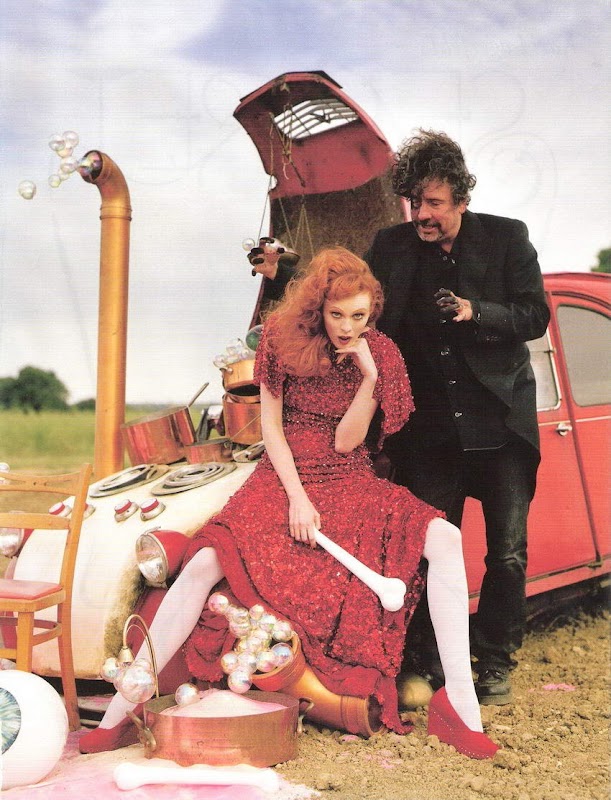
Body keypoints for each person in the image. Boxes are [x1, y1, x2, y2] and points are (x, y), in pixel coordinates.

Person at [79, 247, 498, 759]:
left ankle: (460, 707)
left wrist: (370, 378)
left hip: (346, 478)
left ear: (372, 311)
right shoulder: (281, 339)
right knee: (204, 563)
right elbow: (272, 430)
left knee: (446, 538)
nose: (348, 327)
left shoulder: (381, 354)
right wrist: (297, 499)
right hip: (282, 476)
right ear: (319, 307)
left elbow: (347, 443)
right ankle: (122, 711)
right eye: (338, 314)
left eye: (359, 316)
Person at [364, 130, 550, 704]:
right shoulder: (390, 246)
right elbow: (354, 301)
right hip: (431, 436)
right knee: (429, 556)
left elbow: (535, 315)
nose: (422, 214)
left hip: (501, 425)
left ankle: (494, 662)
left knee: (507, 555)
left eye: (434, 202)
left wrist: (477, 312)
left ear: (462, 199)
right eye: (413, 202)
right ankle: (431, 662)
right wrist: (284, 271)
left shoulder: (507, 237)